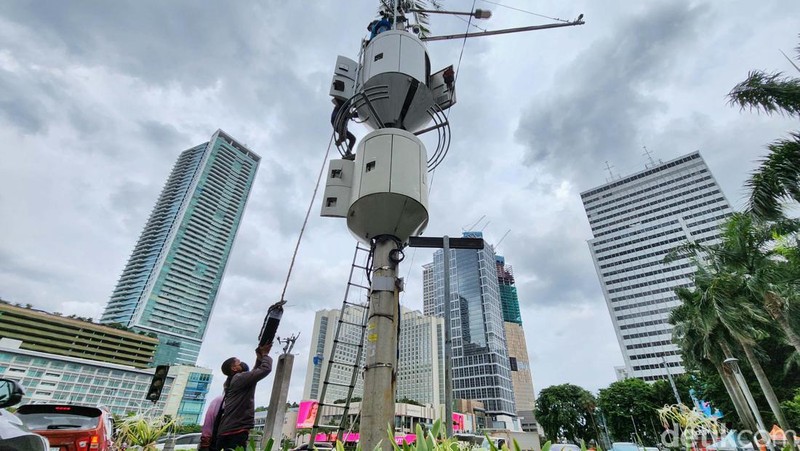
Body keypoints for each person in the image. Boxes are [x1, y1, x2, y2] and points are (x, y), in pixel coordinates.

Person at [214, 343, 273, 451]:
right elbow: (265, 369)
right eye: (239, 363)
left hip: (227, 430)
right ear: (234, 368)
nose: (242, 363)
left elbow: (253, 373)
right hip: (236, 431)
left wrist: (259, 358)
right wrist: (265, 354)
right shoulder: (239, 378)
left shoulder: (234, 380)